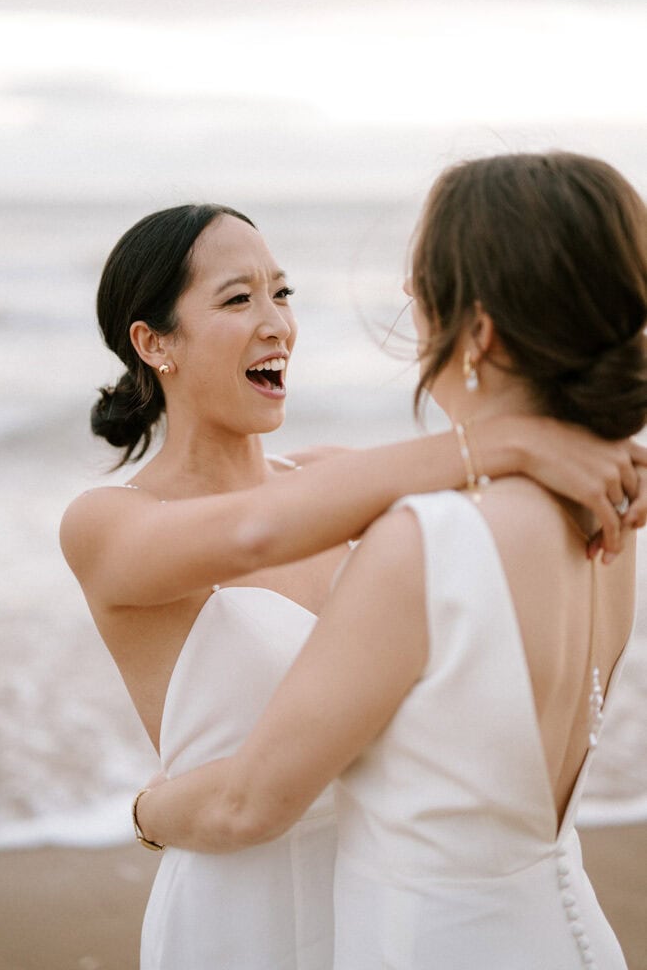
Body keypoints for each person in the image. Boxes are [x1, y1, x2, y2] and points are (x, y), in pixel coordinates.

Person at [133, 153, 647, 969]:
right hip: (571, 933)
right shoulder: (610, 518)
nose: (412, 316)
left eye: (423, 295)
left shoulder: (426, 542)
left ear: (477, 333)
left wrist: (145, 811)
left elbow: (250, 801)